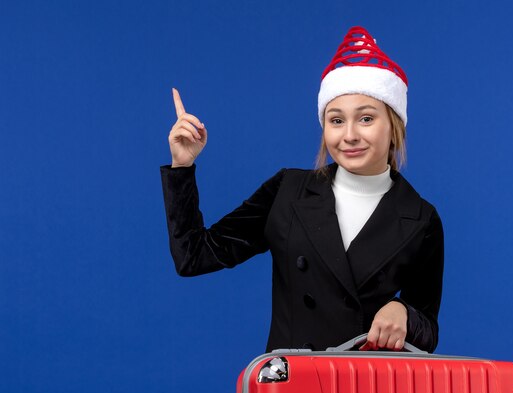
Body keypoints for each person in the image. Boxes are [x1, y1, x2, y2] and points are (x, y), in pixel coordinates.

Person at [161, 26, 444, 353]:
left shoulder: (420, 219)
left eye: (366, 119)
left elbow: (428, 329)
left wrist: (403, 312)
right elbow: (193, 256)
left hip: (365, 390)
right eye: (336, 121)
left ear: (394, 127)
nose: (349, 135)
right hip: (290, 385)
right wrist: (182, 167)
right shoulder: (288, 191)